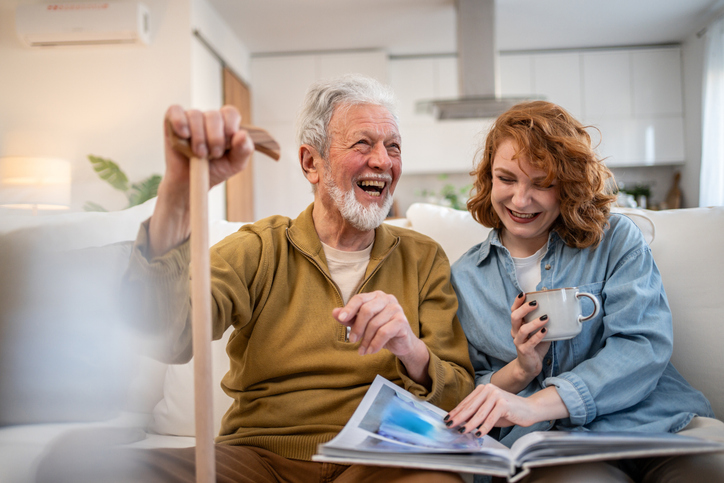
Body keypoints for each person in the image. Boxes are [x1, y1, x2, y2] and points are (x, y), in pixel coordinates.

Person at [114, 74, 473, 482]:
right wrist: (179, 192)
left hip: (380, 464)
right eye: (362, 143)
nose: (383, 161)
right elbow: (166, 334)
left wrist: (411, 349)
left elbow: (459, 393)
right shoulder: (258, 248)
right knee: (98, 470)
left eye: (393, 147)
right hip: (260, 459)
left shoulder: (423, 258)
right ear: (310, 163)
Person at [445, 101, 724, 482]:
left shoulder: (615, 240)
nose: (521, 200)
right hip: (558, 447)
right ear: (489, 176)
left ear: (569, 184)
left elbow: (643, 346)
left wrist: (537, 405)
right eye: (506, 178)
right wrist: (522, 369)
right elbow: (468, 382)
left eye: (542, 183)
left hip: (654, 422)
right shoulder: (467, 276)